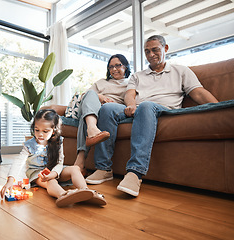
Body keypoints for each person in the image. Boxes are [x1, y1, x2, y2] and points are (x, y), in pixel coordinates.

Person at [87, 35, 218, 196]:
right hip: (140, 109)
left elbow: (198, 92)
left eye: (155, 49)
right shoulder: (137, 76)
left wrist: (218, 108)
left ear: (166, 48)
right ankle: (103, 168)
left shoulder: (181, 71)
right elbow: (129, 94)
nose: (150, 54)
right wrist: (131, 104)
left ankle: (135, 172)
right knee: (107, 109)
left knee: (146, 105)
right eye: (147, 51)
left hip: (165, 109)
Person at [0, 109, 106, 207]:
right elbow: (18, 161)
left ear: (54, 130)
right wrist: (10, 180)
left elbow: (60, 163)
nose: (40, 134)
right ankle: (63, 195)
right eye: (37, 130)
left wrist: (54, 173)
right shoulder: (29, 145)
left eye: (45, 131)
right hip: (38, 174)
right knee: (51, 181)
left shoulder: (58, 141)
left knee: (75, 168)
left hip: (56, 171)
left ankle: (86, 192)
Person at [74, 54, 131, 175]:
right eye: (111, 67)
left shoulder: (130, 83)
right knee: (90, 95)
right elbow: (85, 97)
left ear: (125, 67)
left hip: (112, 110)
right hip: (93, 106)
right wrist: (100, 97)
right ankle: (92, 128)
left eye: (118, 65)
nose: (114, 69)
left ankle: (79, 163)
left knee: (88, 117)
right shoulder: (101, 82)